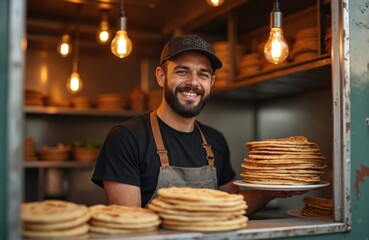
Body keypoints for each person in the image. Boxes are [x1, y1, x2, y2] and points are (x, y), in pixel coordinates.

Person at [92, 34, 305, 216]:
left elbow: (231, 206)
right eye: (182, 71)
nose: (194, 82)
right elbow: (128, 223)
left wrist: (268, 193)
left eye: (203, 74)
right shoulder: (127, 138)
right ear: (161, 77)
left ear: (211, 83)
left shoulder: (215, 141)